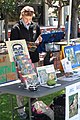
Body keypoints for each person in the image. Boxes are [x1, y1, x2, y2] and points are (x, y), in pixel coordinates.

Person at [10, 6, 42, 119]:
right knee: (22, 85)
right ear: (22, 16)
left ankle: (34, 107)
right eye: (26, 19)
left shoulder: (35, 26)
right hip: (22, 61)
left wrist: (39, 41)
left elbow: (38, 38)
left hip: (34, 58)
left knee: (34, 83)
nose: (28, 21)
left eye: (30, 19)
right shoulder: (16, 28)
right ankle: (21, 111)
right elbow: (13, 46)